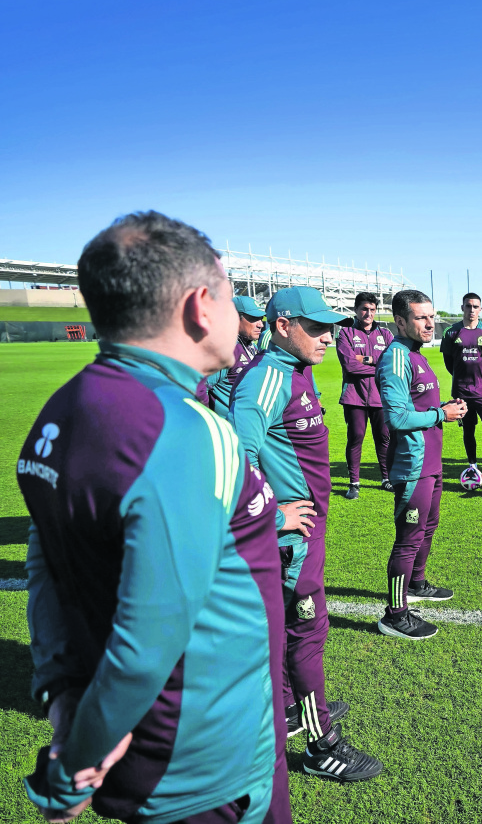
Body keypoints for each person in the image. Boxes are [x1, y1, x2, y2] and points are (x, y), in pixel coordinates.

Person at [18, 211, 288, 824]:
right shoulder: (190, 433)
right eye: (229, 296)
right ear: (200, 306)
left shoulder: (59, 413)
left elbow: (46, 570)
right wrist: (74, 766)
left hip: (164, 753)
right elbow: (147, 642)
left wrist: (61, 694)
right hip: (208, 764)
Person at [232, 286, 381, 783]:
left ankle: (293, 709)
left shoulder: (297, 370)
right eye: (315, 327)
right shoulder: (265, 381)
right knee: (307, 634)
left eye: (328, 326)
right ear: (281, 326)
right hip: (289, 538)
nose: (327, 336)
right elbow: (236, 465)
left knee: (290, 635)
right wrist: (276, 517)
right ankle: (322, 748)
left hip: (305, 532)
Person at [377, 289, 467, 639]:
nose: (430, 323)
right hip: (412, 464)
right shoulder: (395, 358)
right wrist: (439, 414)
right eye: (420, 317)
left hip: (431, 460)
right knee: (408, 539)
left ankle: (416, 583)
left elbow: (419, 404)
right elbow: (398, 417)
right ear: (400, 321)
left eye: (431, 316)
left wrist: (445, 409)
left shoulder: (416, 354)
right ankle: (395, 615)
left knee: (429, 526)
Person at [440, 292, 482, 494]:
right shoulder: (451, 332)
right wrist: (462, 380)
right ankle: (473, 468)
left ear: (480, 309)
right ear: (462, 308)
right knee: (468, 431)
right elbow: (449, 363)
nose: (472, 310)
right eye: (468, 306)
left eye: (475, 306)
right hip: (461, 393)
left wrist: (481, 380)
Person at [337, 292, 394, 499]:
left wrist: (366, 359)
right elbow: (350, 366)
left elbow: (389, 365)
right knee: (356, 438)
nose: (368, 313)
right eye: (364, 309)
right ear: (356, 310)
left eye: (372, 309)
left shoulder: (386, 334)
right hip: (354, 396)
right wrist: (376, 363)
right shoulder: (345, 334)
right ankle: (354, 483)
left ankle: (387, 479)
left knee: (384, 438)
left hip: (380, 397)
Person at [206, 293, 267, 418]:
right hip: (229, 429)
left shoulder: (251, 346)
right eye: (253, 318)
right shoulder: (224, 349)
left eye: (261, 318)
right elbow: (198, 387)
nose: (260, 324)